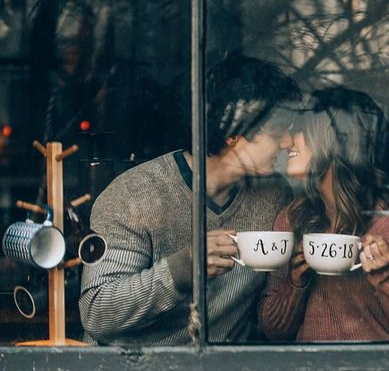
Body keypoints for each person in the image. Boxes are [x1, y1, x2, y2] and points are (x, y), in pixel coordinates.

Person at [80, 54, 301, 345]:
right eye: (276, 133)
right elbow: (97, 312)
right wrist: (182, 269)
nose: (287, 143)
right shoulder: (134, 195)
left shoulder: (275, 195)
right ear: (233, 131)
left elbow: (269, 315)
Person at [259, 88, 389, 342]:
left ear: (334, 142)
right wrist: (294, 284)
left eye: (303, 130)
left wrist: (388, 276)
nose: (290, 141)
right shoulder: (293, 218)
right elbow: (273, 330)